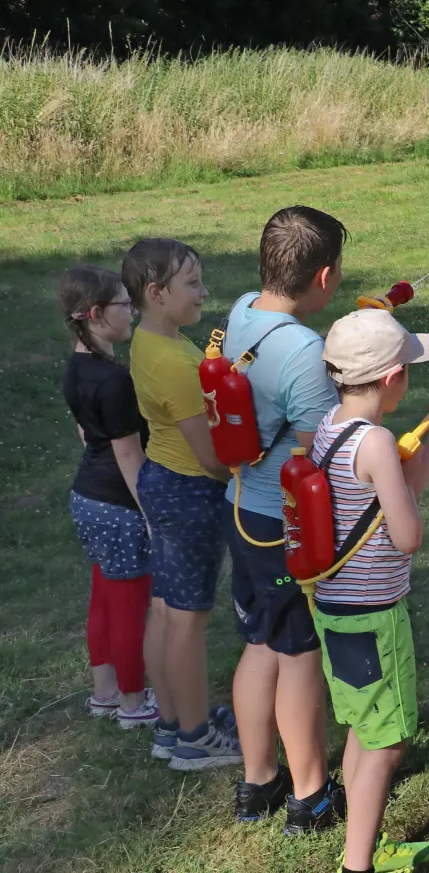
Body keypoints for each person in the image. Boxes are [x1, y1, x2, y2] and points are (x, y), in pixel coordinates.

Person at [312, 309, 429, 873]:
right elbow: (407, 535)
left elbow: (395, 492)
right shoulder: (376, 442)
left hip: (334, 610)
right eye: (408, 368)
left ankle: (362, 848)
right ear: (391, 378)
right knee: (388, 742)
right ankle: (358, 865)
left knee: (364, 726)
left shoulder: (332, 426)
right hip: (375, 617)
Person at [222, 206, 348, 831]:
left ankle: (257, 782)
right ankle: (310, 795)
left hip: (240, 506)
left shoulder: (243, 309)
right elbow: (318, 450)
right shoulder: (304, 350)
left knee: (259, 640)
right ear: (323, 276)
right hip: (283, 527)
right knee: (298, 650)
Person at [124, 238, 240, 768]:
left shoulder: (152, 339)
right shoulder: (172, 362)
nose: (203, 292)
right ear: (156, 292)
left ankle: (171, 726)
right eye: (192, 283)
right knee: (189, 619)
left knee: (167, 609)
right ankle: (196, 738)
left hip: (162, 481)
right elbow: (211, 458)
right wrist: (246, 467)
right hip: (191, 491)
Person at [59, 265, 156, 728]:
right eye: (124, 304)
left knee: (104, 595)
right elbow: (128, 454)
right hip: (119, 506)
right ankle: (134, 704)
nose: (132, 311)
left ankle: (105, 692)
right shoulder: (114, 381)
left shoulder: (77, 367)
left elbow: (85, 432)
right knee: (129, 607)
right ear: (96, 315)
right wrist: (150, 512)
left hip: (88, 498)